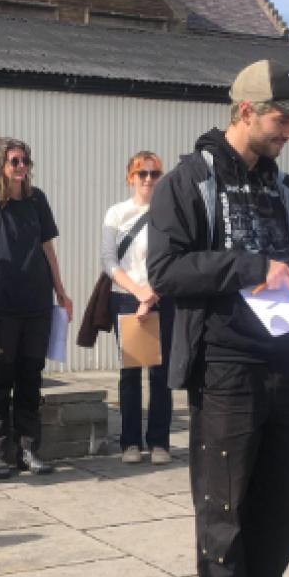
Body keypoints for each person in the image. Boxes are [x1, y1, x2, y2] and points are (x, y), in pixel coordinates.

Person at [148, 59, 289, 577]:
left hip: (288, 365)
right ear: (246, 112)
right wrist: (250, 267)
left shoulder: (286, 188)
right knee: (225, 508)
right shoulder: (187, 182)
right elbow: (167, 271)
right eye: (282, 120)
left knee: (283, 506)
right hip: (226, 367)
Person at [0, 138, 73, 479]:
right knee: (1, 379)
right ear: (0, 165)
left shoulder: (37, 199)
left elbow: (48, 249)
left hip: (37, 304)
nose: (21, 166)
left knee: (30, 378)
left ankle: (28, 451)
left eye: (25, 160)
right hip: (1, 305)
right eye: (14, 161)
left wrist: (61, 291)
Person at [102, 151, 174, 465]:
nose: (147, 179)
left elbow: (173, 257)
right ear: (130, 177)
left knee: (161, 373)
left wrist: (152, 295)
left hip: (160, 296)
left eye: (154, 173)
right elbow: (108, 261)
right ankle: (130, 442)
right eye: (141, 173)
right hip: (126, 297)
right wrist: (139, 294)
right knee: (130, 374)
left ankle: (159, 442)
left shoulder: (169, 213)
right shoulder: (117, 213)